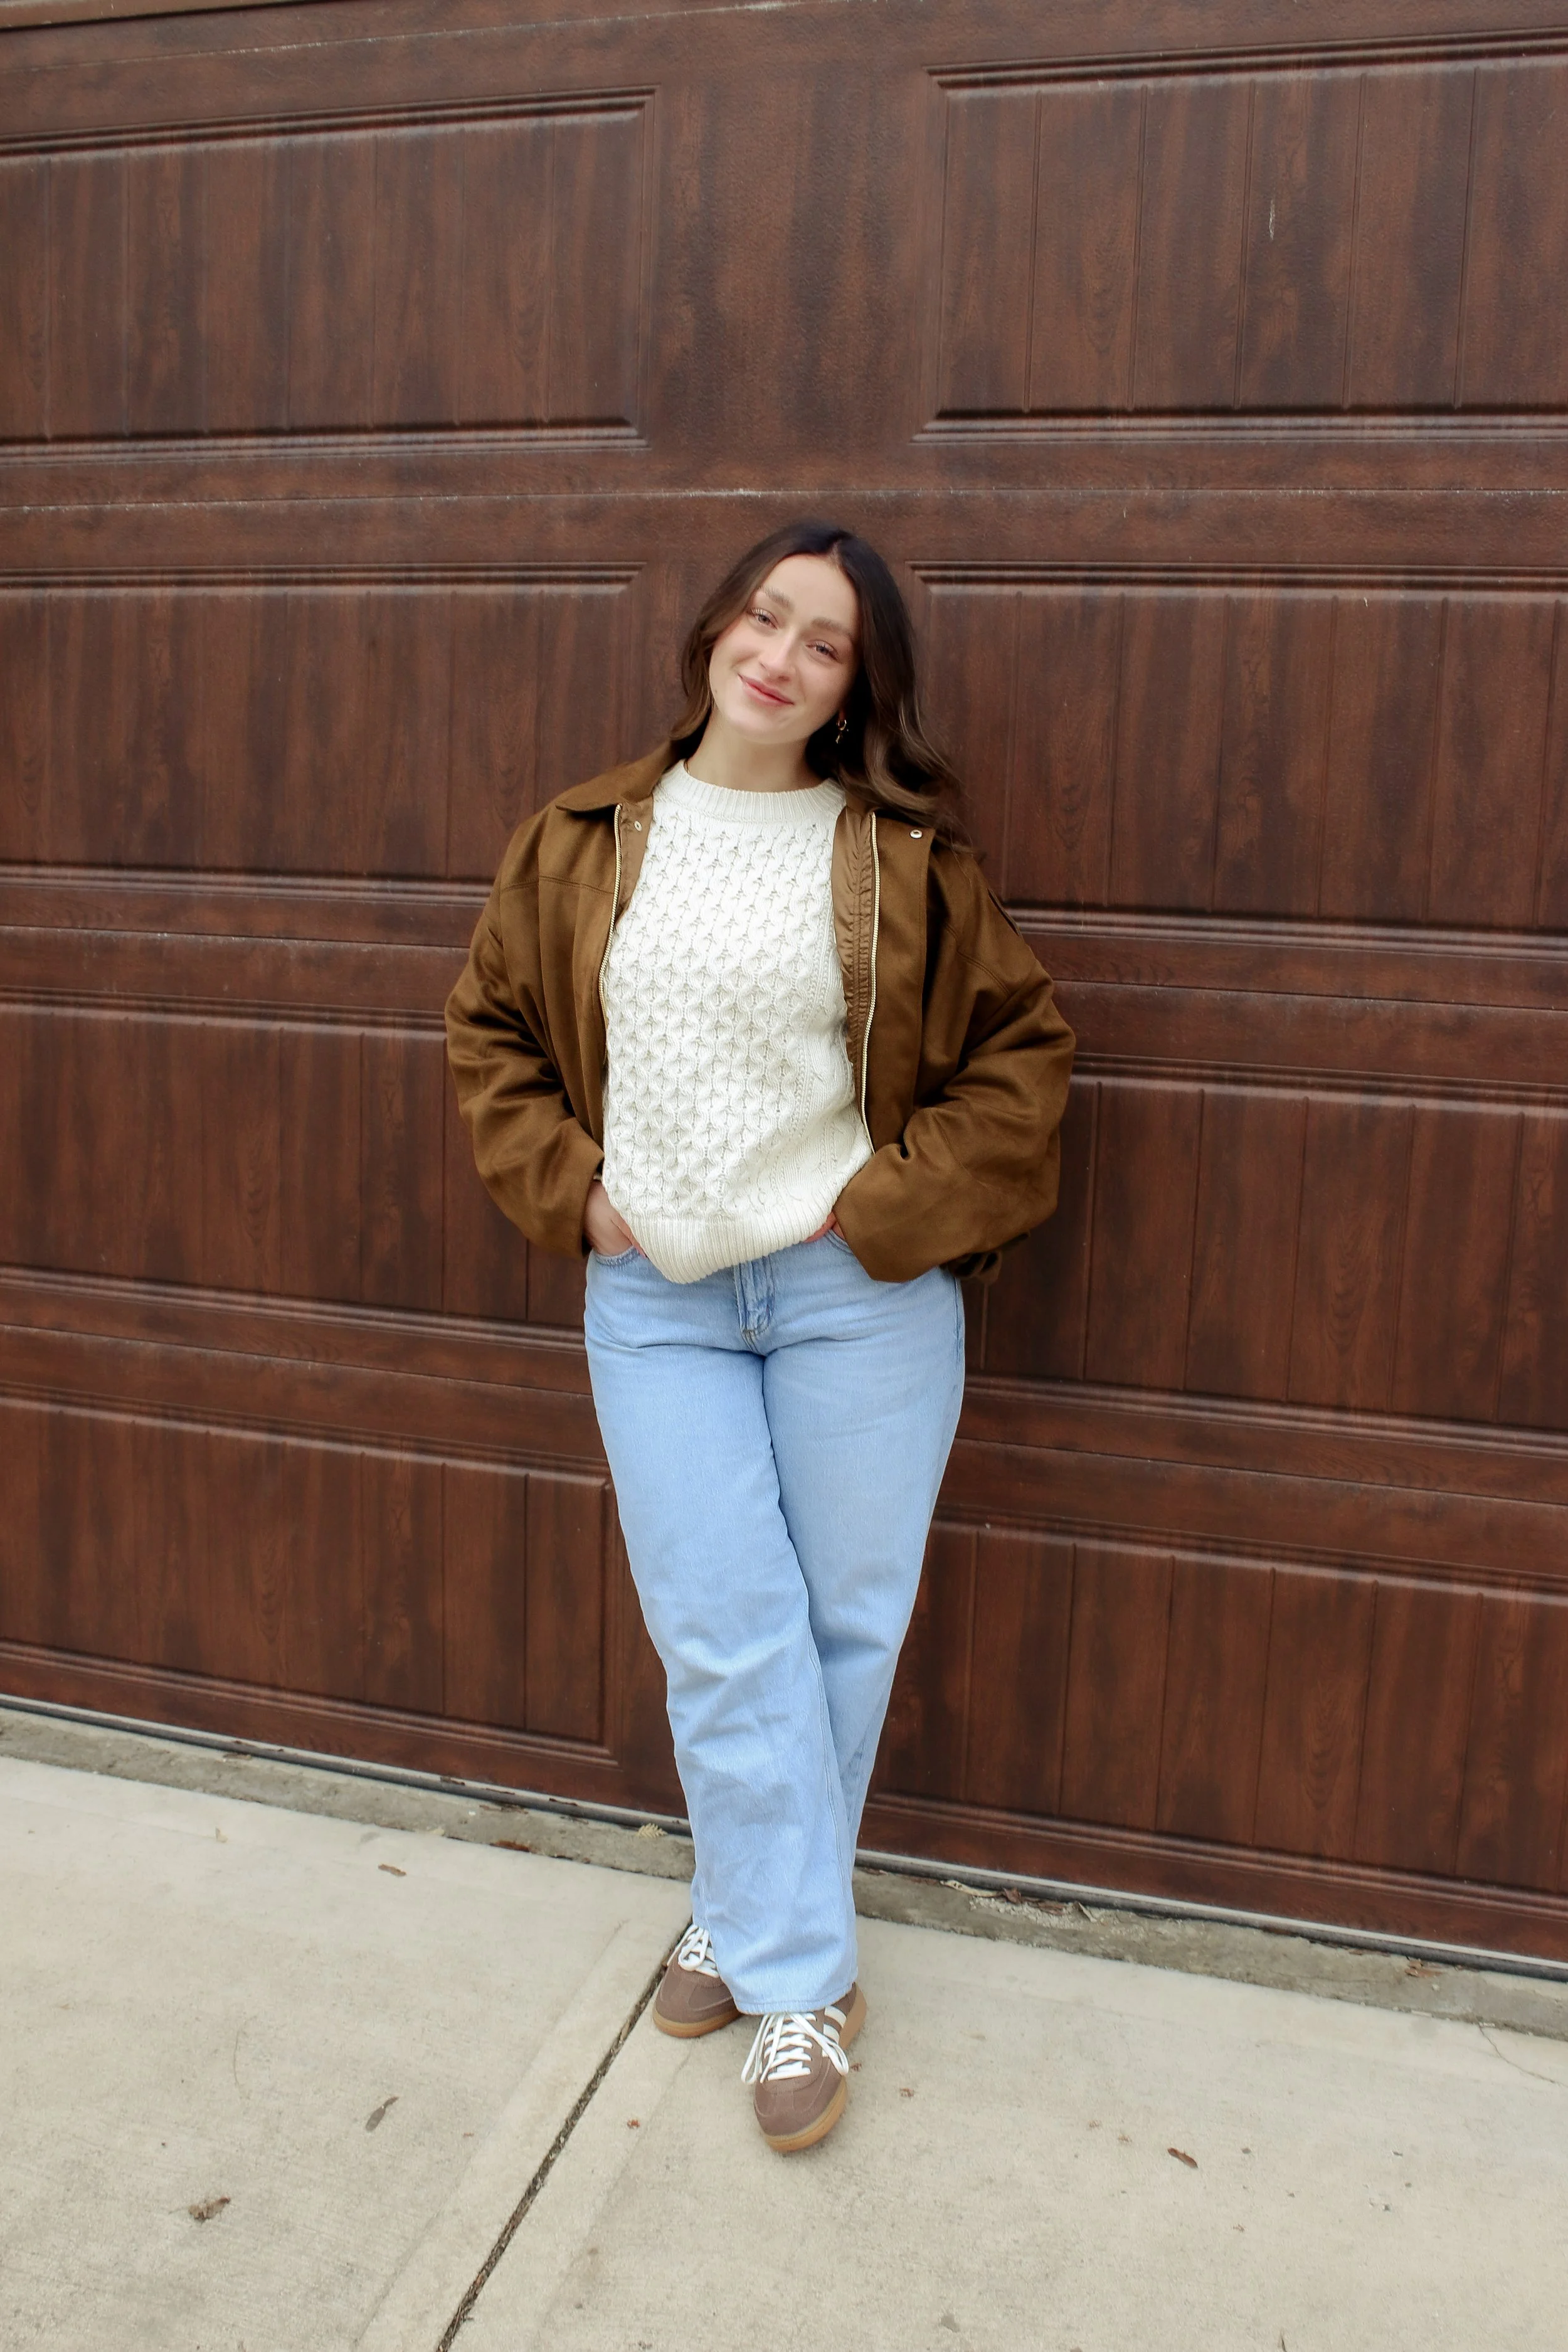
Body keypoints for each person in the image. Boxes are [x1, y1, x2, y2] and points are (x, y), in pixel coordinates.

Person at [445, 519, 1074, 2154]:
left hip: (851, 1295)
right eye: (763, 614)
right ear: (716, 628)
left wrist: (882, 1210)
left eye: (825, 642)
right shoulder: (584, 839)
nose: (779, 654)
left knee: (838, 1630)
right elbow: (492, 1029)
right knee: (727, 1628)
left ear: (856, 688)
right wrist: (575, 1197)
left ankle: (752, 1933)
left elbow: (1020, 1057)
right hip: (655, 1299)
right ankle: (805, 1956)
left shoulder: (901, 856)